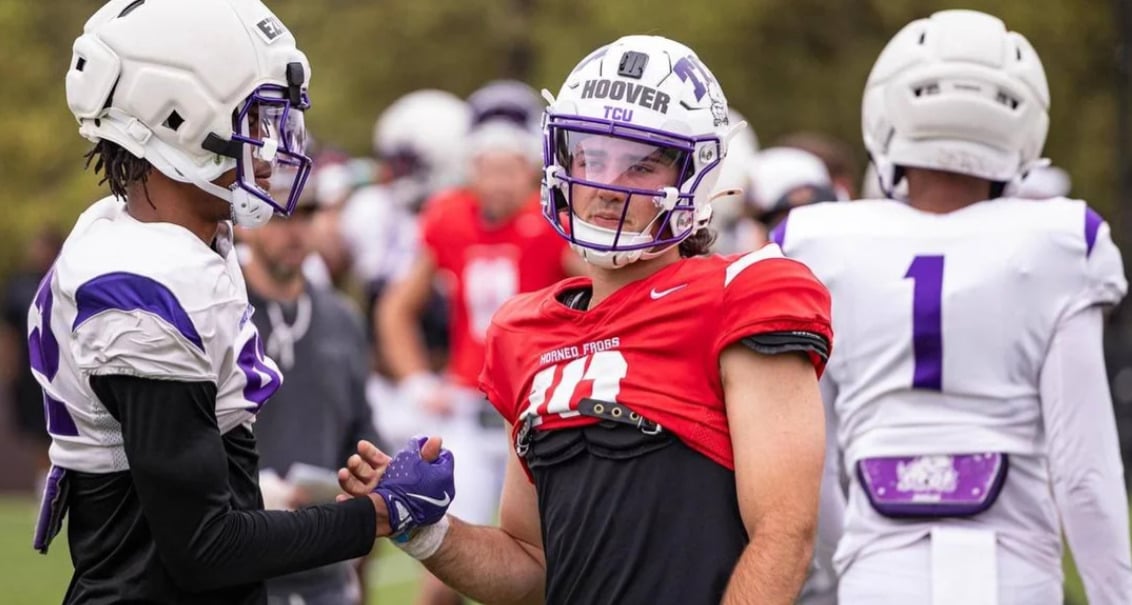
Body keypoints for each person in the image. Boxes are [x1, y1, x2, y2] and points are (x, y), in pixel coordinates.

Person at [343, 34, 834, 604]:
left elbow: (784, 535)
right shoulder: (524, 331)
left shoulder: (741, 294)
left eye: (641, 164)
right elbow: (531, 567)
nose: (605, 185)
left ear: (697, 174)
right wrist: (426, 529)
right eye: (592, 156)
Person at [28, 2, 426, 602]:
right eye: (256, 119)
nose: (270, 146)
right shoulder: (148, 284)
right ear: (178, 119)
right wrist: (376, 514)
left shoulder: (147, 237)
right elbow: (206, 549)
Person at [771, 10, 1132, 604]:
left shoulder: (816, 243)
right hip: (1014, 575)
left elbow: (811, 468)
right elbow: (1084, 472)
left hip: (877, 576)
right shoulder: (1061, 243)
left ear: (887, 112)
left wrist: (845, 567)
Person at [376, 79, 576, 605]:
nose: (496, 181)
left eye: (508, 168)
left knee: (557, 561)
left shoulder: (552, 222)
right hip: (472, 402)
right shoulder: (450, 217)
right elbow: (396, 307)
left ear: (531, 170)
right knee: (447, 562)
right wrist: (418, 380)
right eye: (486, 166)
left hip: (537, 408)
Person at [238, 181, 379, 605]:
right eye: (278, 217)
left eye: (304, 214)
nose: (294, 230)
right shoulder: (216, 314)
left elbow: (362, 436)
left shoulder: (343, 319)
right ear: (243, 223)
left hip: (325, 570)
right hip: (237, 568)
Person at [1, 227, 63, 489]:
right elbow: (9, 330)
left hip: (61, 367)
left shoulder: (65, 280)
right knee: (37, 429)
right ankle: (44, 487)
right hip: (29, 370)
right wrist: (8, 364)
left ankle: (62, 485)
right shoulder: (19, 286)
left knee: (61, 426)